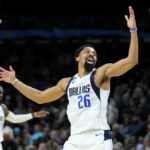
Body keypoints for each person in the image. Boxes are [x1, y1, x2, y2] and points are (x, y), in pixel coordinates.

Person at [0, 6, 138, 150]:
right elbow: (40, 97)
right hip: (74, 139)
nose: (92, 55)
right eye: (88, 52)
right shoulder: (66, 83)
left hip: (97, 138)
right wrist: (14, 81)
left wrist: (133, 31)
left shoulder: (100, 74)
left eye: (94, 54)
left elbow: (131, 60)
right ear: (77, 58)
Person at [0, 85, 50, 150]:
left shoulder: (3, 108)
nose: (1, 94)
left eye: (2, 92)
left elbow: (15, 119)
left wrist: (33, 115)